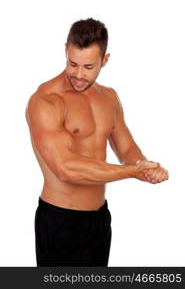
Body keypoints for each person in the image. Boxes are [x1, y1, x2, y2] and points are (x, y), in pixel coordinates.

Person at [25, 18, 169, 267]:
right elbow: (65, 168)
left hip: (99, 220)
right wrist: (131, 171)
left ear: (105, 60)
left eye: (89, 66)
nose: (78, 75)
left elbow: (126, 148)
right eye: (73, 64)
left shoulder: (109, 98)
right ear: (65, 50)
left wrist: (144, 166)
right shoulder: (46, 100)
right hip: (60, 220)